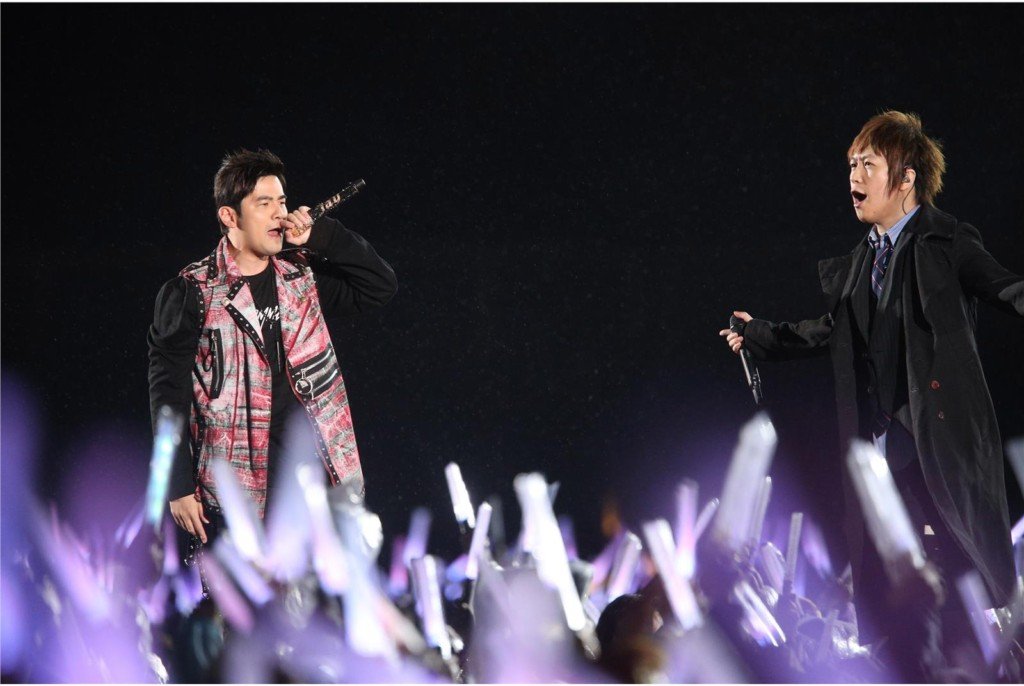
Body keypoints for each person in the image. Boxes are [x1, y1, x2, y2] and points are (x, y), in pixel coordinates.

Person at [718, 111, 1022, 677]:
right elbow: (832, 331)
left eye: (868, 164)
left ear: (906, 179)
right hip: (882, 451)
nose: (854, 176)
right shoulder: (863, 260)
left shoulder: (947, 242)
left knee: (951, 565)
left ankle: (972, 666)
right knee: (891, 576)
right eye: (851, 164)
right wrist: (760, 334)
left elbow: (1005, 287)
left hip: (937, 445)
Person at [148, 149, 397, 551]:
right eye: (264, 204)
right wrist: (175, 484)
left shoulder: (301, 276)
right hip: (238, 491)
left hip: (317, 479)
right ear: (230, 216)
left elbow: (380, 286)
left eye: (282, 202)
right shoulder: (194, 292)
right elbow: (168, 391)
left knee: (326, 590)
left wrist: (322, 234)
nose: (280, 214)